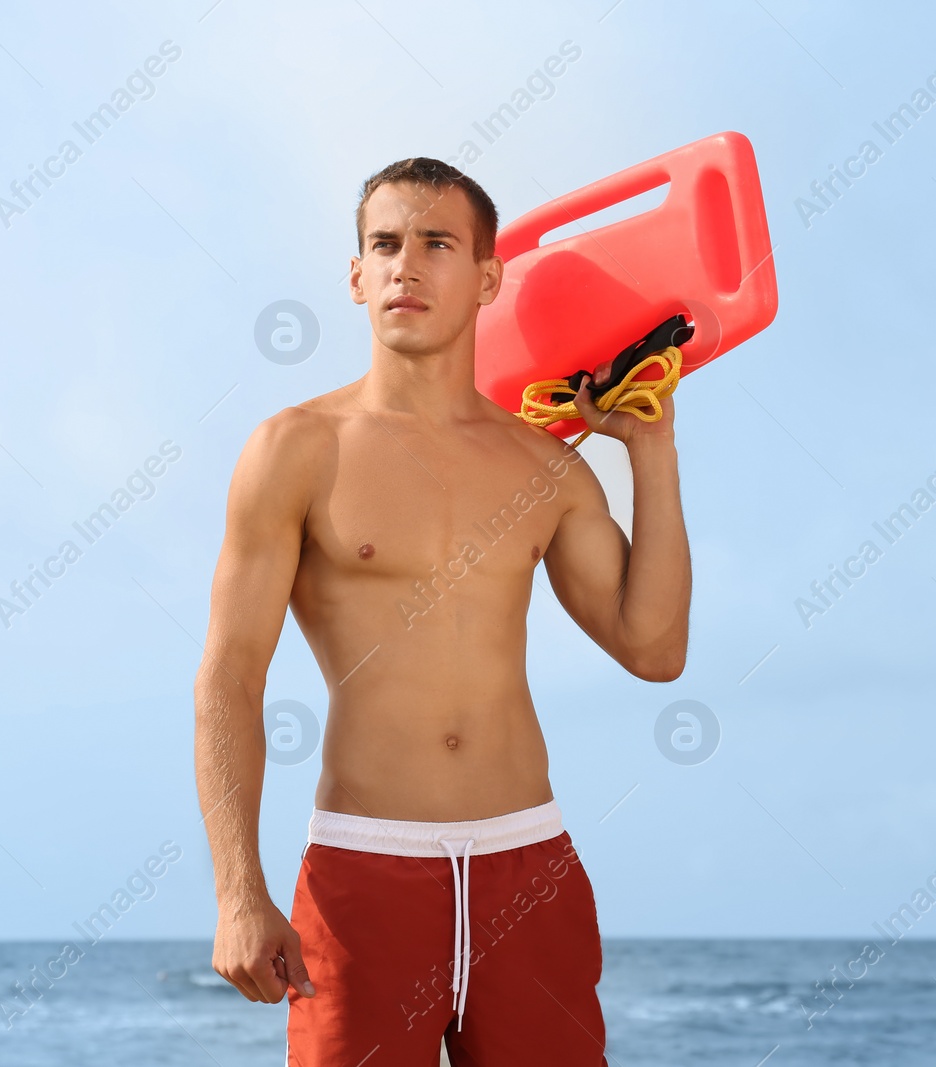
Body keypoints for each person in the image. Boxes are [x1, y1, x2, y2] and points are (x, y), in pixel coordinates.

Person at [194, 156, 691, 1066]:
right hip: (364, 874)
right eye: (383, 244)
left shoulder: (545, 466)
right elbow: (231, 673)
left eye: (437, 244)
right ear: (354, 276)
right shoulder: (295, 449)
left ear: (490, 276)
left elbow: (654, 647)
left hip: (528, 868)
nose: (405, 266)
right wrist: (238, 888)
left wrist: (650, 448)